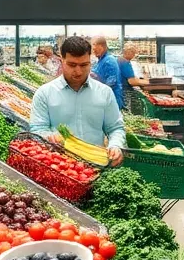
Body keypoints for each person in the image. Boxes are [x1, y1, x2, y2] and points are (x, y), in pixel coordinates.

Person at [30, 36, 126, 166]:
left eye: (84, 65)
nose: (78, 71)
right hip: (59, 168)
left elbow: (115, 128)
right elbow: (37, 129)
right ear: (62, 60)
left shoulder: (105, 93)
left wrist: (115, 145)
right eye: (72, 65)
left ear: (90, 62)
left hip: (96, 167)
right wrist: (47, 136)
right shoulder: (44, 94)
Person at [90, 36, 125, 110]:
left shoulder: (109, 60)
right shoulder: (100, 61)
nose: (94, 51)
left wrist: (99, 94)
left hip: (112, 99)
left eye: (95, 49)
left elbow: (112, 82)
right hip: (103, 99)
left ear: (101, 47)